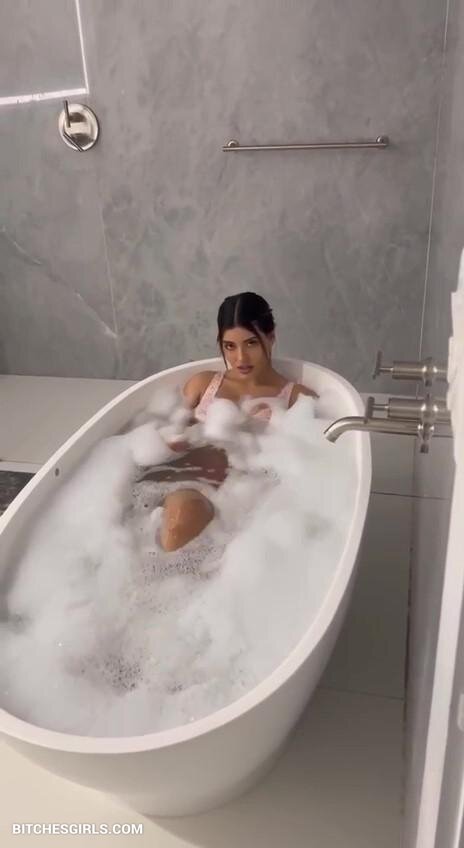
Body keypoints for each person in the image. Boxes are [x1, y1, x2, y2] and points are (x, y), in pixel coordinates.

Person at [143, 292, 317, 551]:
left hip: (244, 498)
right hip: (180, 481)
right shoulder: (203, 384)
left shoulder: (296, 398)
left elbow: (307, 461)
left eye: (251, 343)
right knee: (177, 524)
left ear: (271, 337)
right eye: (230, 346)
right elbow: (170, 427)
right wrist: (173, 440)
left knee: (180, 527)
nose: (240, 358)